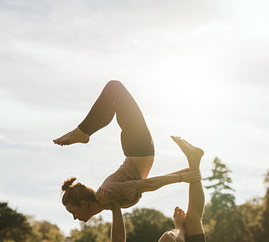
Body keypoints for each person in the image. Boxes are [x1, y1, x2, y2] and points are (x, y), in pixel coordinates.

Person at [60, 136, 214, 242]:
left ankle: (194, 162)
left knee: (193, 219)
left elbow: (145, 185)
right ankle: (179, 229)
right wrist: (115, 207)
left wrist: (182, 176)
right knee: (166, 241)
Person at [54, 81, 200, 222]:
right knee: (114, 95)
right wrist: (186, 172)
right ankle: (84, 132)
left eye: (74, 211)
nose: (74, 217)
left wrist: (181, 177)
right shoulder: (108, 203)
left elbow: (149, 185)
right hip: (139, 148)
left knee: (114, 88)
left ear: (84, 203)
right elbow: (147, 185)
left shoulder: (107, 193)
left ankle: (83, 132)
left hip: (137, 146)